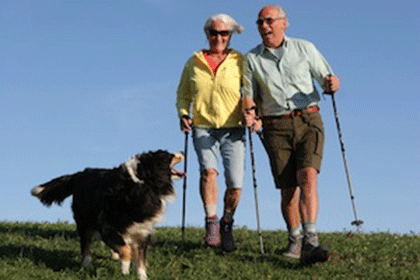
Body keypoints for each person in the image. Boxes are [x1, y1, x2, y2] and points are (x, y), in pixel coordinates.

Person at [243, 5, 340, 264]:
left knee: (308, 176)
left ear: (284, 23)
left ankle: (311, 239)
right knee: (288, 189)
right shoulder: (251, 58)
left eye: (269, 21)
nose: (264, 26)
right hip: (276, 126)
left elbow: (327, 78)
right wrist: (251, 114)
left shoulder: (304, 48)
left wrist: (332, 84)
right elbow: (249, 95)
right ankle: (294, 238)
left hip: (308, 118)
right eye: (260, 22)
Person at [176, 14, 245, 252]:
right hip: (203, 126)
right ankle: (212, 222)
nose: (219, 38)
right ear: (207, 34)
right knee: (209, 172)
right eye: (214, 33)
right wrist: (184, 114)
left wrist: (251, 112)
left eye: (224, 33)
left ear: (230, 36)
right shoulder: (193, 62)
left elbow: (251, 91)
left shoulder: (240, 61)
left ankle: (227, 222)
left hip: (234, 127)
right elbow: (184, 94)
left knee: (235, 184)